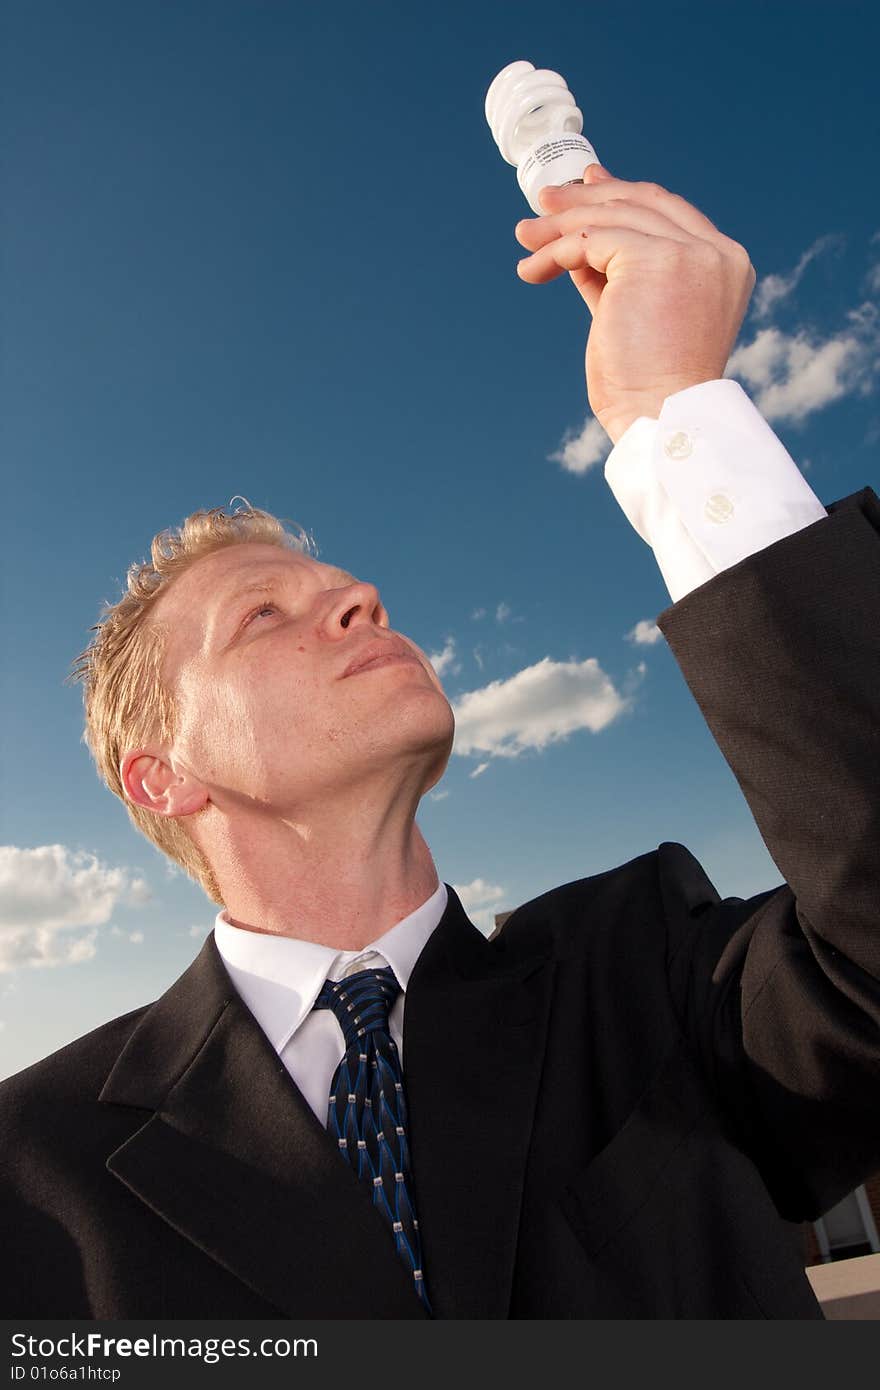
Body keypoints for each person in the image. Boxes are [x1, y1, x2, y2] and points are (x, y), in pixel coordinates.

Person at [2, 166, 879, 1320]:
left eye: (348, 587)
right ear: (162, 773)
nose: (363, 596)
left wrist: (674, 411)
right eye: (263, 614)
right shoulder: (33, 1169)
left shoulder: (646, 970)